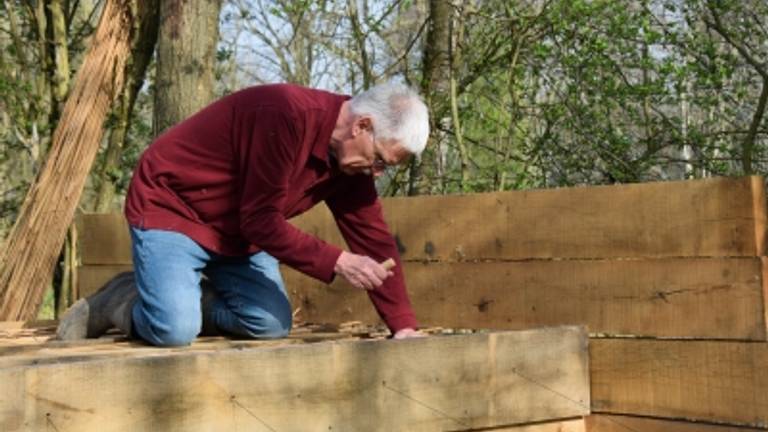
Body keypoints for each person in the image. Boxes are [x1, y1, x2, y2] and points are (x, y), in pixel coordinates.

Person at [57, 82, 429, 345]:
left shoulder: (352, 163)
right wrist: (337, 260)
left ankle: (182, 295)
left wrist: (403, 325)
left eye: (387, 167)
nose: (378, 173)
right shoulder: (283, 115)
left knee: (270, 325)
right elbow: (262, 220)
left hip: (237, 232)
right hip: (174, 208)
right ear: (362, 126)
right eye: (380, 160)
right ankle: (122, 300)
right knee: (173, 330)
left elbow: (374, 239)